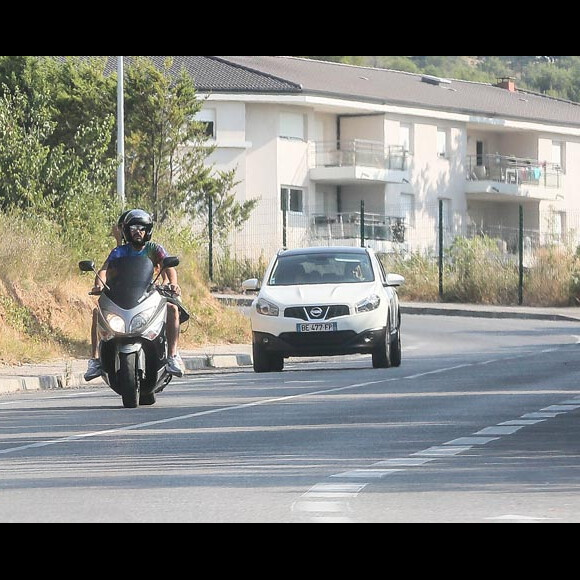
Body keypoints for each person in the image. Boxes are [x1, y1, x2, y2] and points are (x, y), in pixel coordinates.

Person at [84, 209, 184, 381]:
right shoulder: (119, 252)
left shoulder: (154, 249)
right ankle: (95, 360)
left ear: (148, 230)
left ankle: (173, 356)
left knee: (172, 309)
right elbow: (104, 270)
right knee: (97, 312)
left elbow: (169, 268)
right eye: (133, 228)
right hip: (123, 295)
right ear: (127, 231)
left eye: (141, 228)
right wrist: (98, 285)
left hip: (149, 292)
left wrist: (173, 284)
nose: (138, 231)